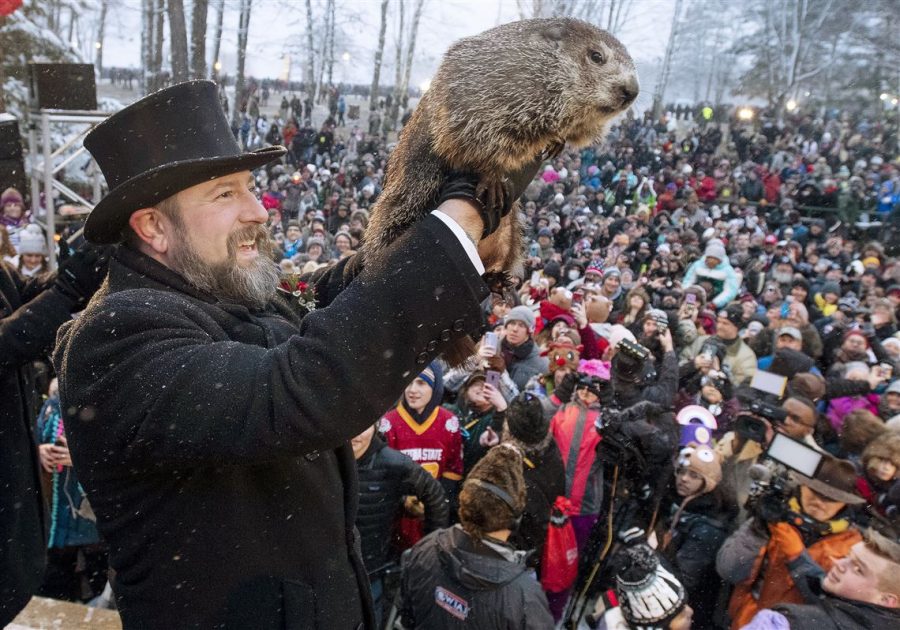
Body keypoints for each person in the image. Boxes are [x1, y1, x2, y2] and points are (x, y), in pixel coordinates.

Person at [52, 81, 539, 629]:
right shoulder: (116, 338)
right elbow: (291, 391)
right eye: (225, 194)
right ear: (154, 227)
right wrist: (452, 228)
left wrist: (449, 210)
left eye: (250, 188)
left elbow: (330, 296)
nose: (259, 210)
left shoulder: (223, 289)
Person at [1, 238, 108, 624]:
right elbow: (9, 341)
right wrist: (66, 289)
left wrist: (77, 269)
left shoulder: (3, 273)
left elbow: (31, 297)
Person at [398, 444, 554, 629]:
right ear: (515, 519)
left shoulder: (424, 549)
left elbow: (407, 618)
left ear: (465, 502)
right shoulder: (524, 597)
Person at [717, 454, 865, 628]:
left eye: (831, 498)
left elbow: (833, 605)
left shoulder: (853, 546)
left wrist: (796, 555)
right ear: (802, 487)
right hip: (746, 622)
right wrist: (758, 530)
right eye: (814, 491)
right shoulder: (774, 516)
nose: (819, 502)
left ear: (845, 503)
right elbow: (729, 570)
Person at [351, 423, 448, 627]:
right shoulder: (326, 459)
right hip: (330, 572)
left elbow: (436, 496)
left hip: (373, 572)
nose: (356, 433)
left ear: (376, 427)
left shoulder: (394, 463)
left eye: (365, 425)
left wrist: (430, 550)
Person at [743, 528, 900, 629]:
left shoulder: (787, 622)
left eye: (858, 569)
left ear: (887, 600)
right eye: (847, 557)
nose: (837, 563)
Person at [500, 306, 549, 391]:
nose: (515, 329)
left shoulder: (541, 363)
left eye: (521, 325)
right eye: (512, 323)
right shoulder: (494, 349)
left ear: (529, 332)